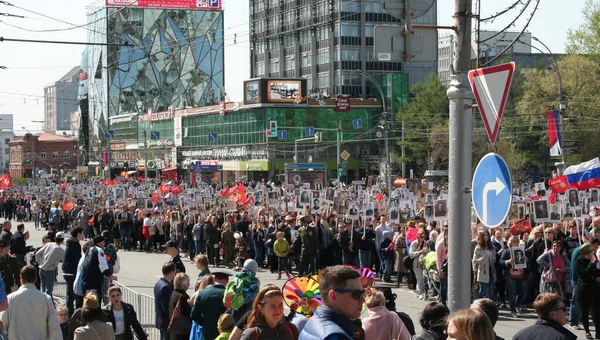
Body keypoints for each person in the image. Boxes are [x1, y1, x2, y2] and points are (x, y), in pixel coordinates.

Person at [300, 265, 365, 340]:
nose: (363, 299)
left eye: (362, 293)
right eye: (356, 294)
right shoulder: (335, 336)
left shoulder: (313, 321)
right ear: (333, 296)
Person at [1, 265, 62, 340]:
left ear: (21, 278)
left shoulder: (10, 299)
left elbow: (3, 325)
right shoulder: (46, 299)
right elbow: (54, 327)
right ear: (35, 279)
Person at [191, 269, 231, 340]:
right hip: (224, 333)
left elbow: (194, 315)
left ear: (214, 280)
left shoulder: (202, 294)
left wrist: (205, 323)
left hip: (207, 333)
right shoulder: (228, 295)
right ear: (227, 280)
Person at [575, 243, 600, 339]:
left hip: (594, 287)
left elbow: (595, 273)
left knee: (597, 311)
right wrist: (592, 263)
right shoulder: (579, 262)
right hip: (584, 288)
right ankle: (587, 331)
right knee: (585, 311)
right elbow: (585, 273)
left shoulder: (592, 261)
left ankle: (598, 331)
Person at [500, 236, 528, 318]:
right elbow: (501, 262)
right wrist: (508, 261)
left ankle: (517, 304)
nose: (516, 243)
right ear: (510, 243)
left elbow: (526, 262)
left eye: (517, 241)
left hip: (521, 275)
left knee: (523, 292)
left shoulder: (521, 251)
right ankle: (513, 310)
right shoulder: (507, 251)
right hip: (511, 275)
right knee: (512, 293)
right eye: (514, 241)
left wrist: (526, 259)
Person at [35, 231, 66, 298]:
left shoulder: (48, 244)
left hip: (41, 269)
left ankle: (42, 303)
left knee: (43, 289)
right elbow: (65, 261)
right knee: (49, 290)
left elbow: (37, 253)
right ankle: (47, 304)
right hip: (50, 270)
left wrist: (40, 262)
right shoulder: (61, 250)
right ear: (62, 240)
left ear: (54, 238)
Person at [63, 227, 84, 317]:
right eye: (82, 233)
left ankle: (71, 311)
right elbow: (77, 259)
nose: (83, 235)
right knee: (71, 294)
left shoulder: (72, 243)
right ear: (78, 233)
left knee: (71, 294)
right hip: (71, 271)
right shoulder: (75, 244)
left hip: (68, 270)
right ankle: (70, 313)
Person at [154, 262, 176, 340]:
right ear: (171, 272)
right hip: (166, 322)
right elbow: (167, 307)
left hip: (161, 321)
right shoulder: (166, 287)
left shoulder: (159, 283)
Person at [472, 230, 496, 299]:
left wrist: (493, 259)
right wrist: (480, 260)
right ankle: (477, 303)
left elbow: (494, 258)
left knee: (492, 292)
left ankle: (492, 306)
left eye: (487, 235)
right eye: (484, 235)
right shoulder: (478, 248)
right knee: (482, 291)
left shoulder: (492, 248)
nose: (486, 237)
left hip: (491, 270)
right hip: (483, 271)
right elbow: (474, 260)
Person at [168, 273, 192, 340]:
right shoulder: (182, 297)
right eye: (188, 282)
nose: (189, 284)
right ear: (183, 284)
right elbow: (188, 314)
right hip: (181, 332)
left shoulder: (174, 293)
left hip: (174, 330)